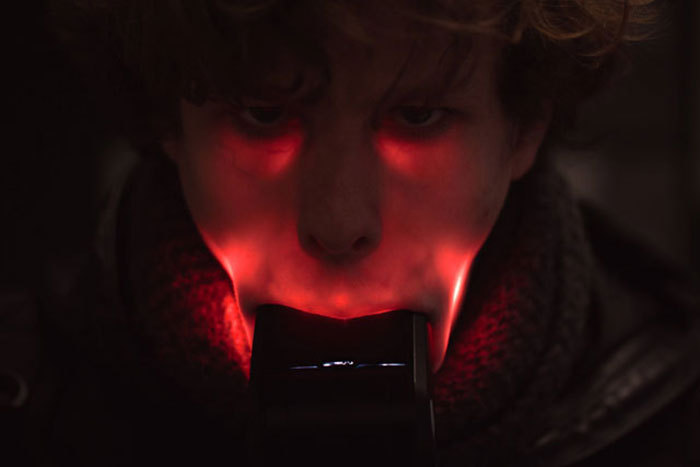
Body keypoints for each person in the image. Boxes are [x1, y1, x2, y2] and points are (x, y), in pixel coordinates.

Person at [3, 0, 699, 465]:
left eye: (419, 116)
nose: (338, 224)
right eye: (263, 114)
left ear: (524, 126)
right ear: (168, 122)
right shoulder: (26, 410)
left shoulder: (674, 421)